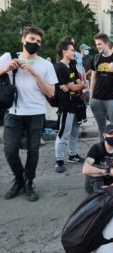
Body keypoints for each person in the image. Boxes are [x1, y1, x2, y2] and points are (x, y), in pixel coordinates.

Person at [0, 27, 57, 201]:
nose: (34, 43)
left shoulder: (46, 65)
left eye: (38, 41)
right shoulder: (8, 57)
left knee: (33, 151)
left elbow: (51, 93)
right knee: (10, 150)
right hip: (13, 111)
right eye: (32, 39)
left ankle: (28, 182)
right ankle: (19, 179)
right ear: (23, 40)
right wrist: (5, 70)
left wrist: (36, 74)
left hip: (36, 112)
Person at [54, 40, 87, 173]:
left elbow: (79, 84)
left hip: (75, 103)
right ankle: (59, 160)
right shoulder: (60, 67)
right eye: (72, 50)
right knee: (64, 133)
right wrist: (76, 86)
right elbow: (76, 85)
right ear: (64, 51)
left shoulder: (72, 65)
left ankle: (72, 155)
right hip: (66, 104)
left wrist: (77, 86)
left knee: (74, 132)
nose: (74, 53)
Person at [90, 33, 113, 141]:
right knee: (101, 128)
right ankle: (103, 150)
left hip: (111, 99)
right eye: (96, 45)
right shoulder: (96, 58)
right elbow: (93, 79)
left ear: (107, 43)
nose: (98, 47)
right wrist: (91, 98)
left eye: (100, 44)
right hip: (97, 99)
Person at [82, 124, 113, 194]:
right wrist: (108, 172)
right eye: (110, 134)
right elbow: (85, 170)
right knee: (94, 167)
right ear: (104, 135)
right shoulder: (96, 148)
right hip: (97, 182)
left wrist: (111, 187)